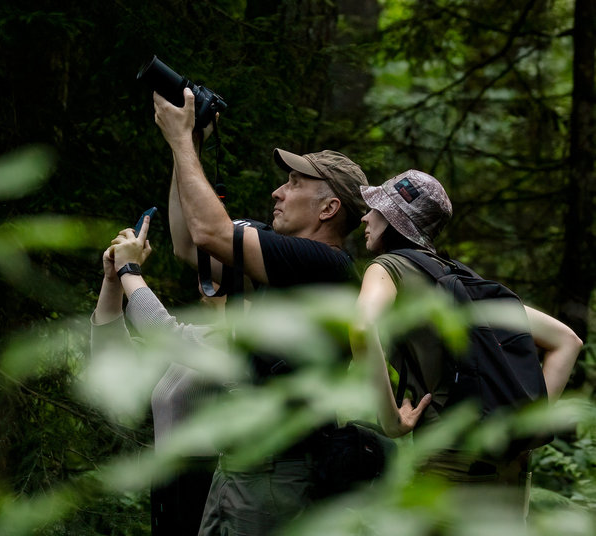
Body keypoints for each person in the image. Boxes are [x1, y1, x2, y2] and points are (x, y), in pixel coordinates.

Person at [153, 87, 370, 535]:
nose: (278, 192)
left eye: (294, 185)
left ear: (329, 208)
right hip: (241, 466)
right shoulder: (286, 262)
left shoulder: (325, 265)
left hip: (277, 474)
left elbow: (210, 232)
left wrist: (179, 141)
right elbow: (188, 243)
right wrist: (189, 146)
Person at [353, 169, 583, 516]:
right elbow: (567, 341)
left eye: (375, 209)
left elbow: (361, 326)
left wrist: (391, 422)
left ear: (394, 221)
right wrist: (523, 430)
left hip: (448, 471)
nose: (364, 217)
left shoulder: (388, 267)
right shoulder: (458, 278)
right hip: (511, 475)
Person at [91, 215, 224, 536]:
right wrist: (112, 281)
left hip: (212, 488)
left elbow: (163, 333)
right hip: (171, 486)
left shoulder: (242, 338)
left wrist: (129, 271)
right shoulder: (198, 337)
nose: (204, 273)